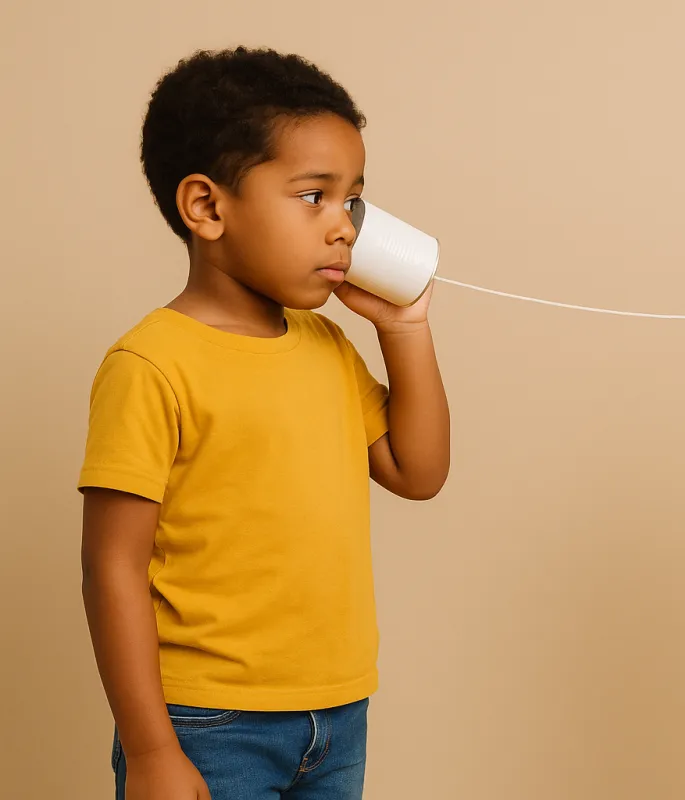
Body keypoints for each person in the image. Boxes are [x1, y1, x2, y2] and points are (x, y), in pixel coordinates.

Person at [78, 46, 451, 800]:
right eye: (313, 196)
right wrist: (152, 751)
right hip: (209, 724)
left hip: (338, 713)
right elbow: (111, 568)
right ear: (207, 208)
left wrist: (405, 329)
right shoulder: (151, 365)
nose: (344, 227)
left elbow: (420, 471)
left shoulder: (326, 346)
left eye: (352, 200)